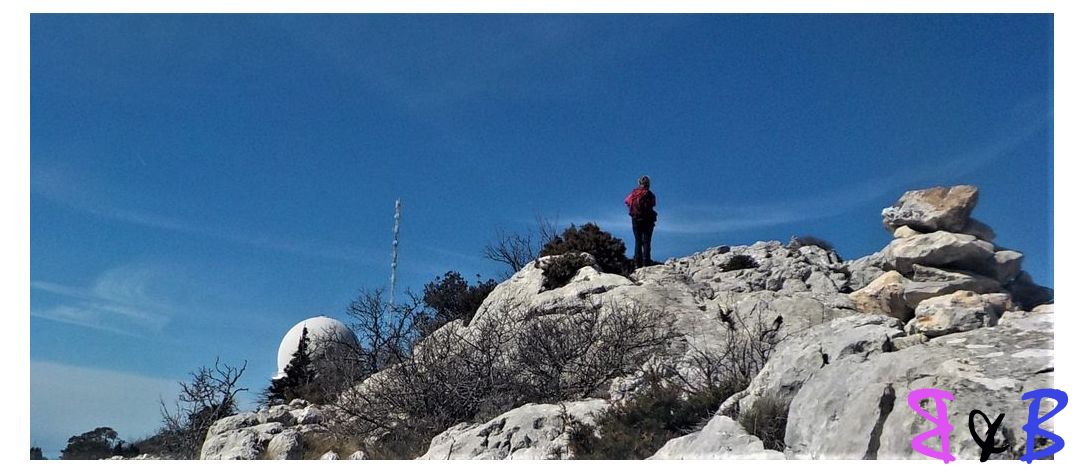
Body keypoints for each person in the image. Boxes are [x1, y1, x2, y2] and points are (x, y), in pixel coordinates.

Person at [624, 175, 657, 269]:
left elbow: (626, 201)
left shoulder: (634, 193)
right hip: (648, 219)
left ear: (639, 183)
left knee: (638, 241)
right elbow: (654, 204)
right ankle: (646, 262)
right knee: (646, 241)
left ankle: (637, 263)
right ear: (648, 184)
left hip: (635, 219)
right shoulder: (650, 194)